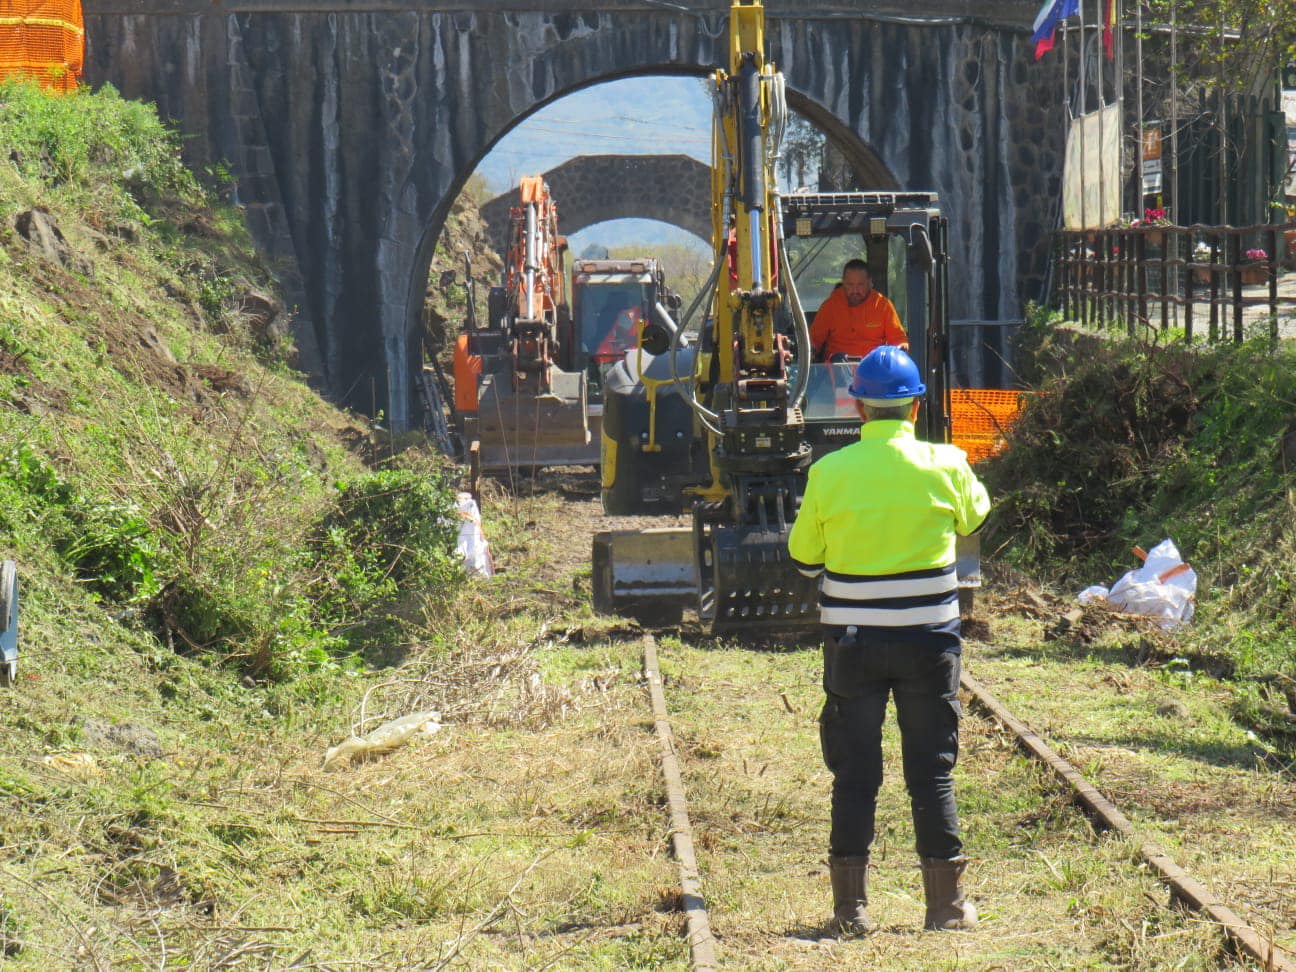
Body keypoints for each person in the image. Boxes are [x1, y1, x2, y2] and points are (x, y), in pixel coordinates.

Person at [787, 345, 990, 936]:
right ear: (916, 406)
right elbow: (975, 519)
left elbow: (804, 559)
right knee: (932, 769)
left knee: (855, 772)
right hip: (930, 642)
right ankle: (946, 908)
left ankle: (850, 911)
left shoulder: (828, 473)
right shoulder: (947, 462)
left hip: (853, 645)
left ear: (858, 408)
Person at [809, 260, 908, 361]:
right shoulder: (830, 306)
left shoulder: (883, 305)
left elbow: (899, 340)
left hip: (873, 366)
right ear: (843, 282)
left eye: (860, 285)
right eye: (850, 285)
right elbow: (813, 341)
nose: (855, 290)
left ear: (870, 283)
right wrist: (811, 350)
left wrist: (901, 348)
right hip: (837, 367)